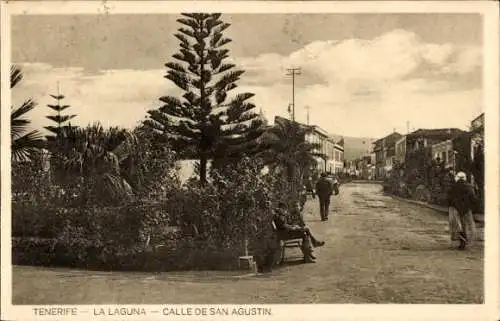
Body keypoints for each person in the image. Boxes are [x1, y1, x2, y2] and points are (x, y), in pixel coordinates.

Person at [447, 171, 477, 250]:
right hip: (466, 209)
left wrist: (452, 205)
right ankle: (465, 241)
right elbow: (473, 198)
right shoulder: (469, 186)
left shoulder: (453, 186)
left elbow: (449, 198)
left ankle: (461, 241)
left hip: (455, 208)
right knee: (465, 225)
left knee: (458, 225)